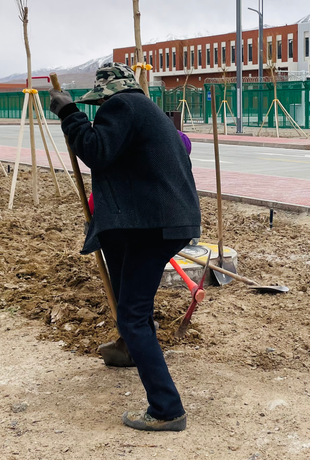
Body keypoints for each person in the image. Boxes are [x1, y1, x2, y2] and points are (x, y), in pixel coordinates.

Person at [50, 63, 201, 432]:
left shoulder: (122, 107)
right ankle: (131, 349)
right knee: (129, 300)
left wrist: (69, 112)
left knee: (132, 314)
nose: (100, 107)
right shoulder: (148, 111)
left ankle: (167, 410)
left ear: (107, 95)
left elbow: (96, 150)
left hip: (152, 225)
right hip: (158, 220)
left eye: (99, 101)